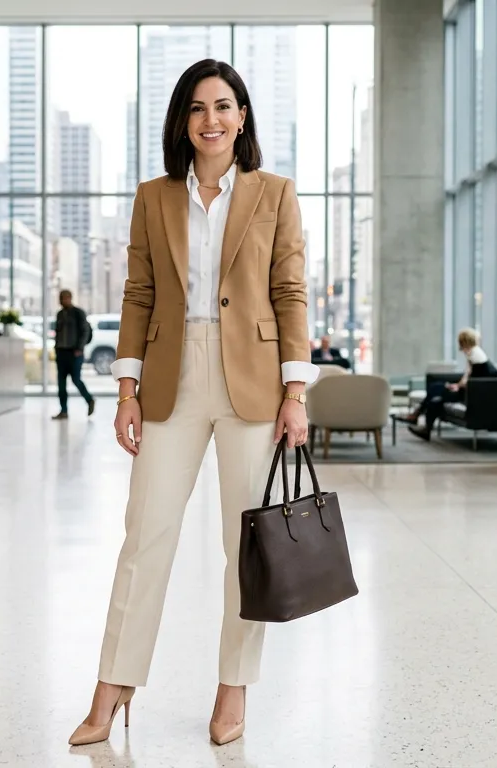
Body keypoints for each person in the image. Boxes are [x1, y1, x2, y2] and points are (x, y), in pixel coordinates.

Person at [70, 59, 317, 749]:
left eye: (225, 105)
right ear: (183, 120)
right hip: (172, 375)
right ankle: (113, 684)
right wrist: (125, 388)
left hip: (255, 381)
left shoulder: (274, 193)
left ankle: (233, 684)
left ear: (242, 118)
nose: (212, 119)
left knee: (247, 543)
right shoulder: (155, 198)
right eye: (198, 107)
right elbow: (138, 294)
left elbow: (291, 292)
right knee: (145, 534)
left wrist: (295, 392)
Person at [406, 327, 497, 440]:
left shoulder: (475, 355)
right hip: (469, 391)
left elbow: (474, 381)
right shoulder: (473, 353)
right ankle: (425, 428)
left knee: (435, 388)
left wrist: (458, 387)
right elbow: (467, 376)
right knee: (436, 399)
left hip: (472, 395)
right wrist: (457, 385)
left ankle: (417, 415)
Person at [52, 289, 95, 420]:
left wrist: (79, 348)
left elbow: (85, 331)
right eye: (61, 298)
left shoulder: (78, 313)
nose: (63, 300)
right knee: (61, 383)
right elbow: (58, 332)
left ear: (70, 298)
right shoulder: (59, 314)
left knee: (76, 379)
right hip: (61, 352)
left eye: (65, 298)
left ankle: (89, 400)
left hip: (74, 353)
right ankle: (63, 410)